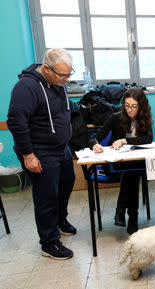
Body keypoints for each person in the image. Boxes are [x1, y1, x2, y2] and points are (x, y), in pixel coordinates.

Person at [7, 48, 77, 260]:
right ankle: (49, 242)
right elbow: (16, 122)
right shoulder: (26, 87)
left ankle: (59, 220)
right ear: (46, 68)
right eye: (62, 75)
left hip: (60, 148)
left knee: (67, 182)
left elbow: (61, 112)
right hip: (39, 150)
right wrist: (28, 155)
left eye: (69, 74)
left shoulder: (58, 84)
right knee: (46, 195)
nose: (66, 79)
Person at [89, 88, 153, 234]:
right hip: (115, 165)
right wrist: (95, 145)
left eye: (134, 106)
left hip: (136, 165)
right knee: (131, 173)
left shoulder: (145, 118)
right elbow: (94, 137)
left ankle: (121, 210)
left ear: (141, 106)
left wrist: (125, 140)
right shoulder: (115, 117)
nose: (129, 110)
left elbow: (147, 139)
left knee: (132, 172)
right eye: (127, 105)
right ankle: (132, 218)